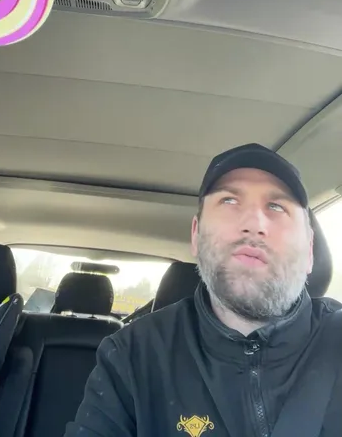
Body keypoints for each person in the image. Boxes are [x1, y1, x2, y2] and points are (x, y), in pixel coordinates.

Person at [65, 143, 342, 437]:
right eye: (229, 200)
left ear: (309, 251)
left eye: (276, 206)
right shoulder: (132, 356)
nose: (254, 223)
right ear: (196, 235)